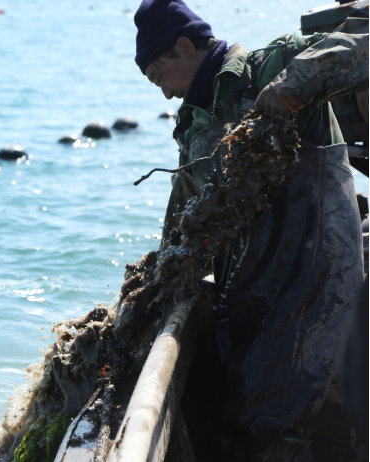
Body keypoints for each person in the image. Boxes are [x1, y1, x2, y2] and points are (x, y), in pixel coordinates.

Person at [133, 1, 368, 460]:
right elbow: (187, 217)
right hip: (248, 304)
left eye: (158, 77)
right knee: (240, 418)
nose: (163, 95)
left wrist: (295, 87)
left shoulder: (275, 64)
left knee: (272, 423)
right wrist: (159, 285)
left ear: (183, 47)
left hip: (317, 282)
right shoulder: (194, 123)